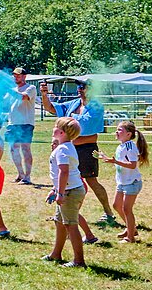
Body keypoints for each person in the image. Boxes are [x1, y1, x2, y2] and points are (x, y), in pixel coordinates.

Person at [40, 81, 116, 225]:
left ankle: (109, 213)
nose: (80, 89)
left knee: (91, 181)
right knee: (64, 179)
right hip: (71, 148)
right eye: (79, 87)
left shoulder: (96, 107)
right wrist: (44, 95)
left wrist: (64, 139)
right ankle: (61, 214)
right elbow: (51, 108)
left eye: (83, 87)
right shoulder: (74, 104)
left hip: (87, 150)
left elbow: (89, 132)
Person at [43, 117, 86, 268]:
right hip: (67, 190)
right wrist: (55, 190)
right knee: (60, 222)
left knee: (71, 225)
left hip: (69, 192)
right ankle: (56, 254)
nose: (53, 128)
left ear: (61, 132)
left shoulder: (62, 149)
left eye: (56, 126)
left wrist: (60, 194)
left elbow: (64, 172)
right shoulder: (67, 146)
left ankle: (79, 261)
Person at [98, 120, 149, 243]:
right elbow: (120, 162)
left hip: (132, 183)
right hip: (122, 182)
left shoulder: (130, 147)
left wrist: (115, 161)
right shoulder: (121, 146)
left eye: (120, 130)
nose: (116, 132)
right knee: (116, 205)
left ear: (128, 134)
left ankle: (130, 237)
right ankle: (132, 229)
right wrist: (107, 158)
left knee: (127, 209)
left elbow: (132, 165)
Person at [3, 68, 38, 184]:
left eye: (18, 75)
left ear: (24, 76)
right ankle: (20, 174)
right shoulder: (12, 90)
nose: (16, 77)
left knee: (25, 149)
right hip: (13, 123)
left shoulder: (31, 88)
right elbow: (4, 105)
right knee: (13, 149)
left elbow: (24, 97)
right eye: (14, 75)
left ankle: (27, 177)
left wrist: (8, 89)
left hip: (25, 123)